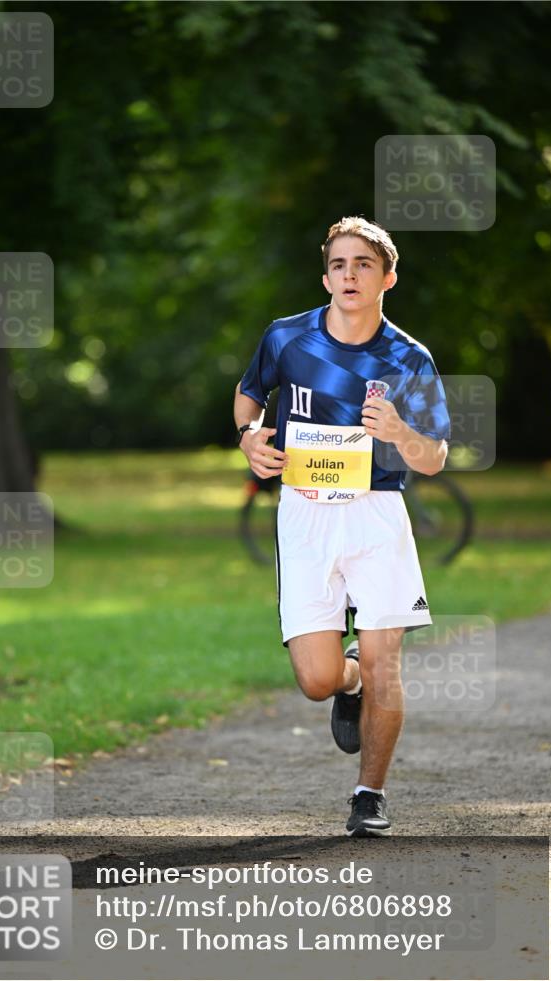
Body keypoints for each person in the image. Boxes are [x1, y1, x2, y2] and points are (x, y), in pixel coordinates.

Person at [233, 216, 450, 837]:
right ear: (325, 274)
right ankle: (348, 679)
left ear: (388, 276)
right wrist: (249, 440)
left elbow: (434, 457)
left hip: (378, 514)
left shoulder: (409, 357)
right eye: (338, 264)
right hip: (304, 514)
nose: (349, 275)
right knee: (317, 679)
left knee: (388, 660)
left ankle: (369, 795)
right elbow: (248, 397)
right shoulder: (287, 338)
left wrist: (401, 432)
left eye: (362, 264)